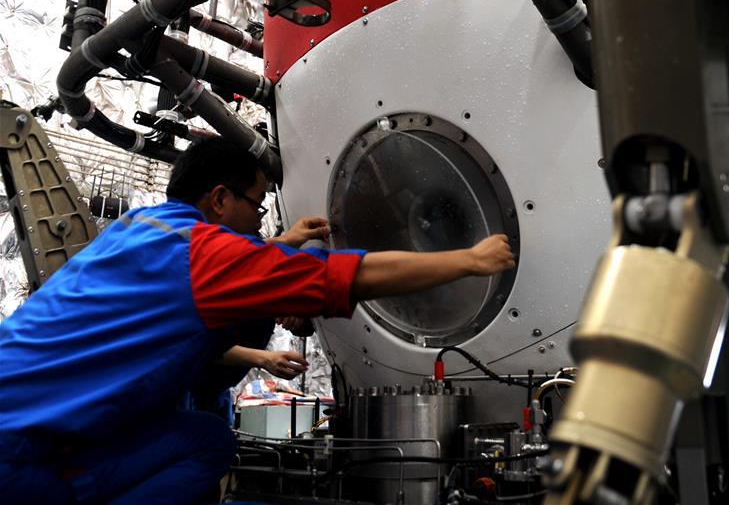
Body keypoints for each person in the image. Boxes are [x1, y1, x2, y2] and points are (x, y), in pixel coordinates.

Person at [0, 137, 515, 504]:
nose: (260, 218)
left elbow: (205, 280)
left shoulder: (139, 229)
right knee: (208, 443)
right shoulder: (204, 256)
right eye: (257, 203)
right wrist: (469, 260)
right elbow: (353, 273)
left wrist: (277, 248)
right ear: (220, 198)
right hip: (22, 451)